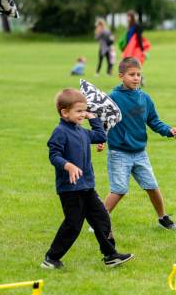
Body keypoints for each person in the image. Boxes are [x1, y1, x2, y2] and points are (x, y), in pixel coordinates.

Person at [42, 89, 133, 269]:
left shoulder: (82, 131)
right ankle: (51, 258)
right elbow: (54, 155)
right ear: (64, 112)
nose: (82, 114)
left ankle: (110, 255)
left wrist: (93, 118)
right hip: (70, 189)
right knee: (73, 225)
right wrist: (67, 165)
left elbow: (100, 136)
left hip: (87, 186)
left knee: (102, 219)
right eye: (79, 111)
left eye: (84, 110)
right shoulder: (60, 132)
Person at [102, 57, 176, 230]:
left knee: (152, 186)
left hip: (140, 152)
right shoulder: (113, 98)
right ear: (121, 76)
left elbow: (153, 120)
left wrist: (167, 130)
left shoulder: (145, 98)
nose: (136, 78)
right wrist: (100, 139)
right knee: (119, 190)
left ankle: (162, 217)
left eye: (138, 74)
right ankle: (99, 220)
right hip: (119, 152)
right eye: (131, 75)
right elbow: (104, 121)